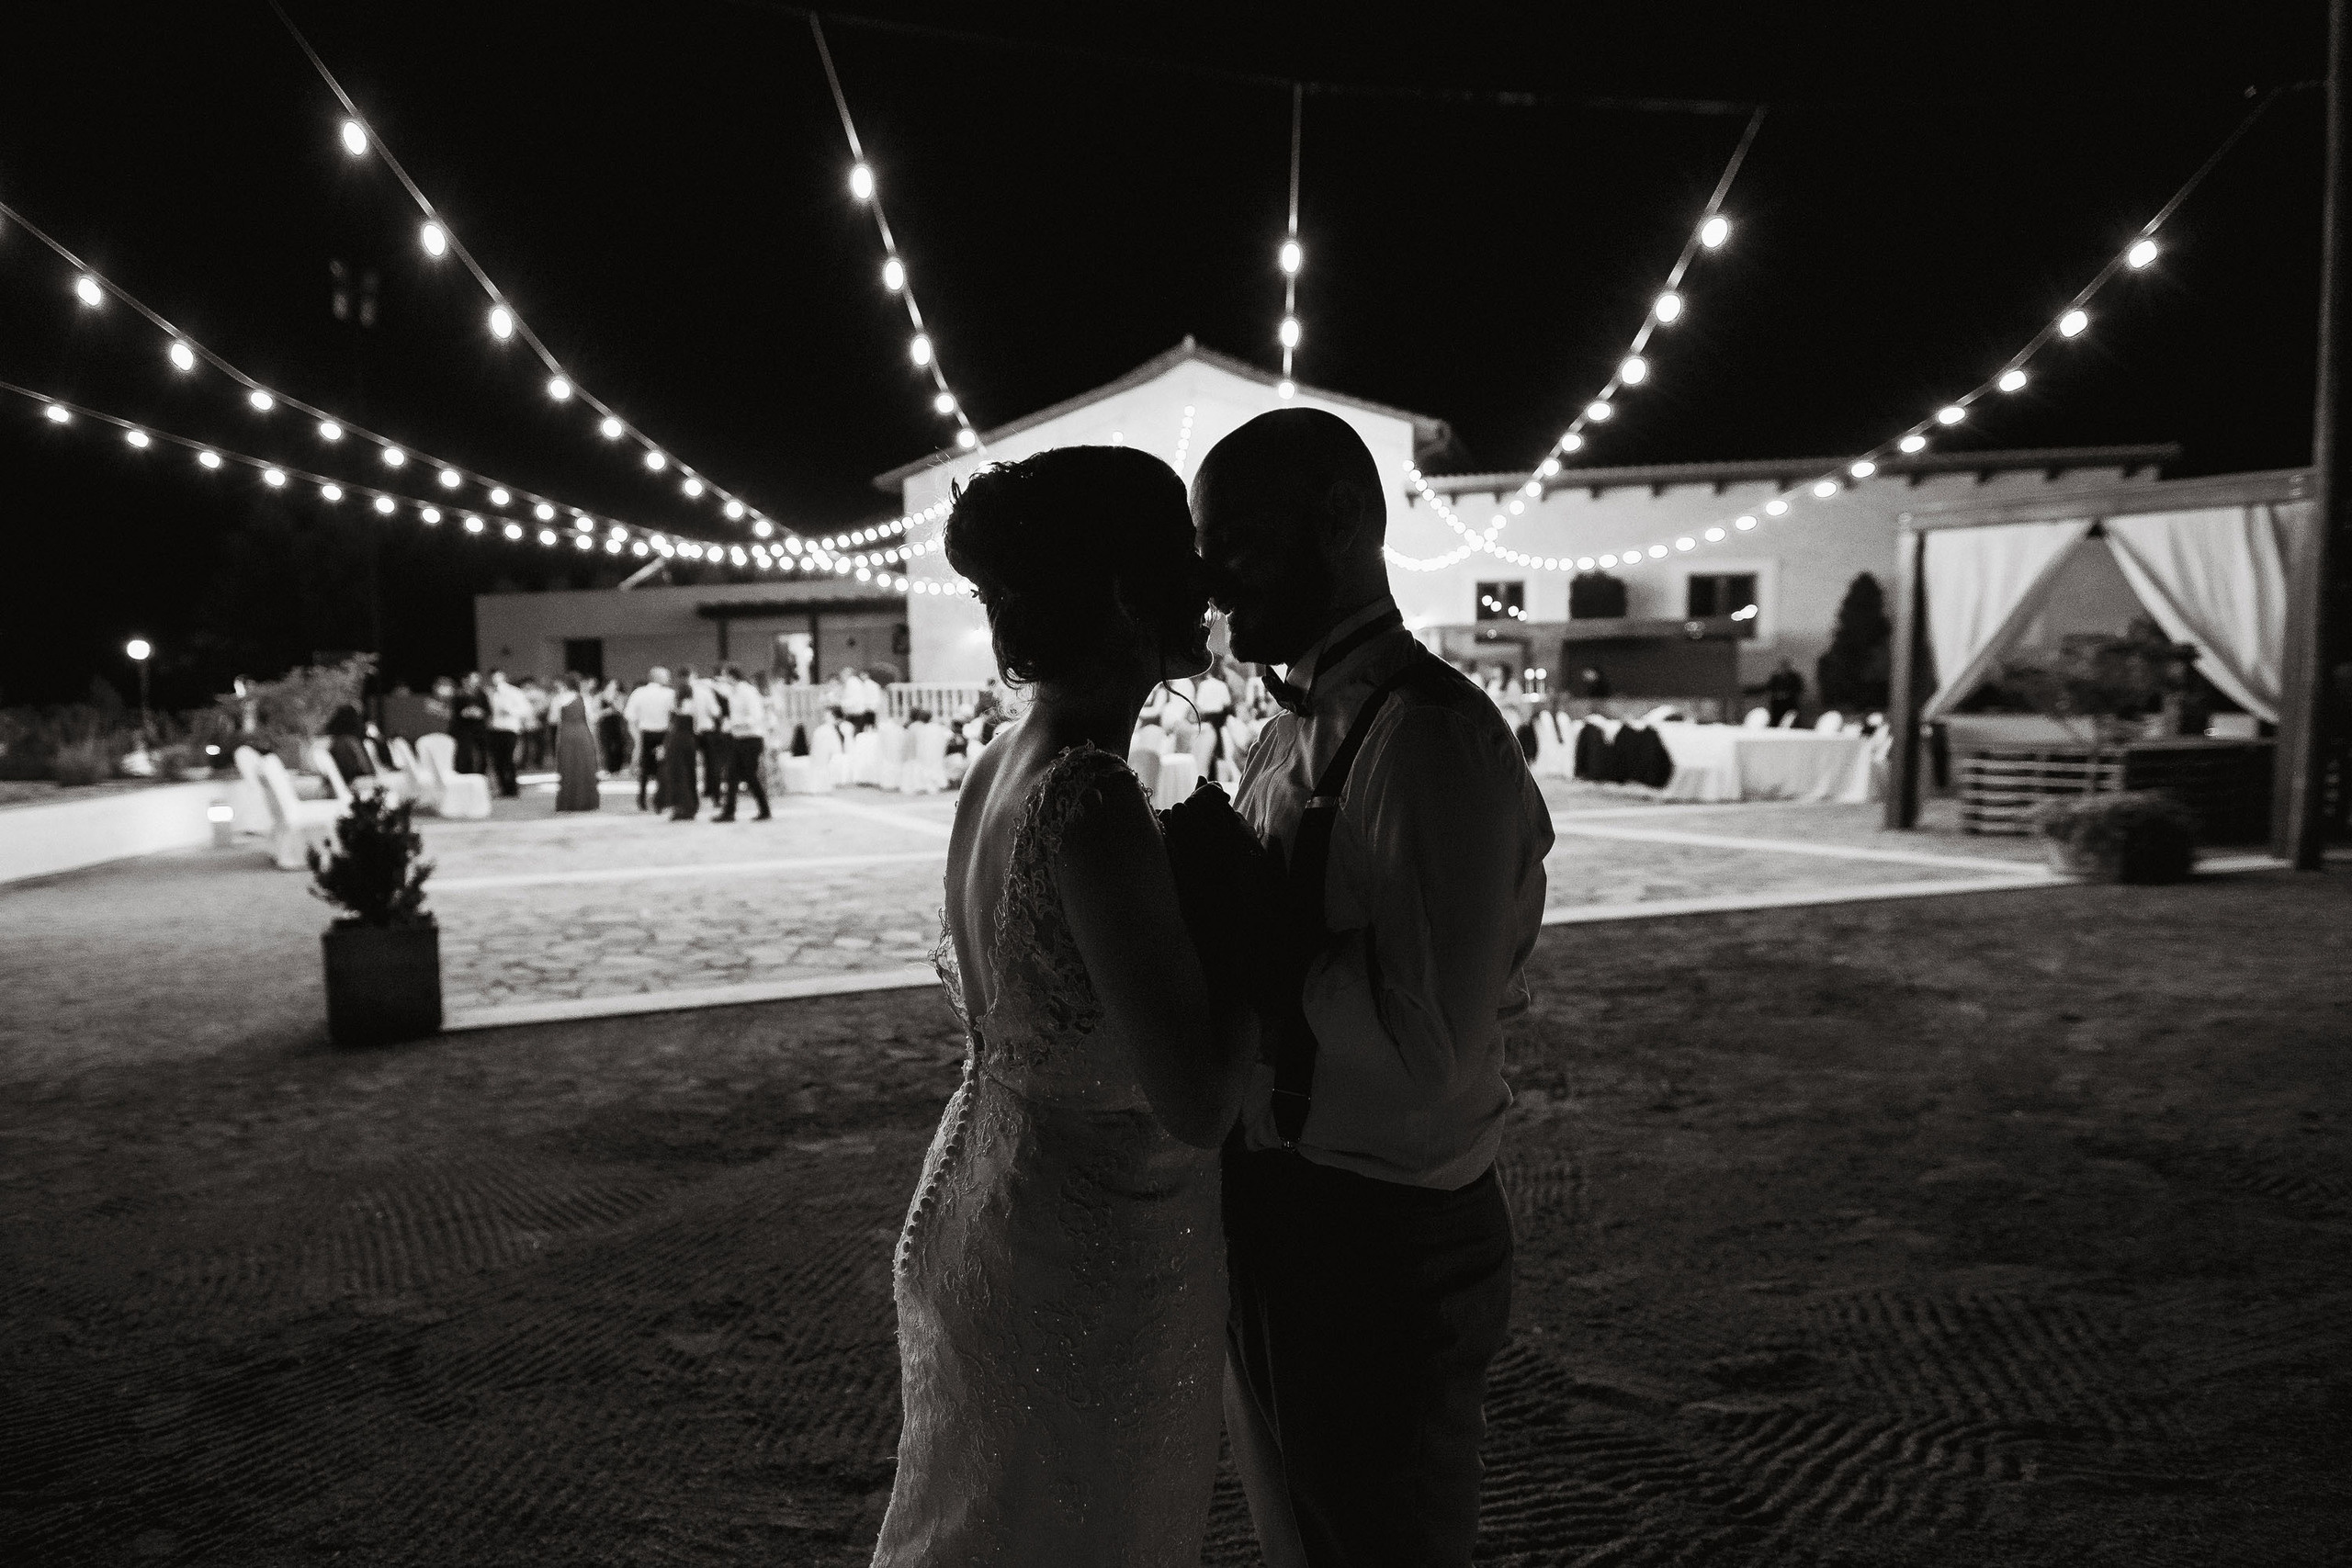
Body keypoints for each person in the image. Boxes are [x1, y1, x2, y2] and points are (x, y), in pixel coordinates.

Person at [871, 446, 1261, 1565]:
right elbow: (1198, 1101)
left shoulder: (1001, 760)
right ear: (1130, 593)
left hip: (987, 1201)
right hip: (1091, 1260)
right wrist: (1247, 926)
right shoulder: (1091, 802)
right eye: (1185, 562)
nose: (1207, 590)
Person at [1195, 407, 1553, 1568]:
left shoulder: (1429, 739)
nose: (1210, 578)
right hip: (1288, 1209)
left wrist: (1248, 935)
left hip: (1383, 1240)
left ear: (1339, 519)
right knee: (1302, 1538)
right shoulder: (1285, 729)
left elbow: (1425, 1047)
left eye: (1233, 541)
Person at [715, 664, 771, 822]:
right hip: (739, 738)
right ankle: (729, 812)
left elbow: (756, 716)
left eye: (725, 676)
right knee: (731, 775)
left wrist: (734, 724)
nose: (723, 680)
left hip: (751, 738)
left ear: (732, 676)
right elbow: (717, 687)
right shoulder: (733, 692)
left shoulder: (747, 692)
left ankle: (764, 809)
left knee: (749, 775)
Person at [624, 668, 675, 811]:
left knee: (645, 768)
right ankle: (662, 799)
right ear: (659, 678)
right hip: (663, 734)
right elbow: (675, 713)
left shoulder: (639, 693)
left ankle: (642, 799)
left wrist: (636, 734)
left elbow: (629, 715)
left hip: (646, 733)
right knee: (663, 767)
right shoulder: (669, 694)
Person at [552, 674, 602, 813]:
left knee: (567, 765)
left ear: (564, 684)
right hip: (582, 732)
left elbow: (553, 718)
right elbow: (592, 718)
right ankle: (586, 802)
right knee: (584, 766)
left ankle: (568, 802)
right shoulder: (584, 698)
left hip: (566, 733)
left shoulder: (558, 699)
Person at [662, 670, 699, 821]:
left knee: (678, 773)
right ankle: (692, 805)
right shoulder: (694, 705)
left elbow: (670, 726)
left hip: (677, 741)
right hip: (690, 740)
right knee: (690, 773)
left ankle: (681, 806)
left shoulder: (676, 708)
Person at [486, 669, 529, 797]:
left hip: (509, 729)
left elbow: (525, 710)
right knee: (497, 761)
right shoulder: (489, 693)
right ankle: (502, 788)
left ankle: (512, 789)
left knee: (509, 760)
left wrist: (510, 711)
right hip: (494, 730)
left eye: (498, 677)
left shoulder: (514, 692)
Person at [450, 673, 491, 775]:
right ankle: (466, 775)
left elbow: (488, 711)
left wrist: (480, 713)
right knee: (465, 754)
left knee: (483, 754)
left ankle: (482, 776)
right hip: (463, 730)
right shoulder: (458, 695)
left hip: (479, 729)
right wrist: (465, 713)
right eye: (472, 679)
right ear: (465, 680)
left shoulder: (481, 695)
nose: (475, 682)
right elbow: (455, 713)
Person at [595, 679, 629, 774]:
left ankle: (618, 767)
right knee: (606, 745)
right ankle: (606, 767)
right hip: (605, 723)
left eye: (616, 685)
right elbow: (596, 713)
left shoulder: (620, 696)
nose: (614, 687)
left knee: (619, 745)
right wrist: (607, 711)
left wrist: (614, 701)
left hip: (617, 723)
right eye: (612, 685)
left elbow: (622, 710)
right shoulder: (600, 696)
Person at [1764, 658, 1805, 726]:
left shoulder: (1794, 678)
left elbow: (1799, 688)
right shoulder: (1775, 678)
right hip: (1777, 704)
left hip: (1790, 702)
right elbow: (1769, 688)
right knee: (1776, 721)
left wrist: (1788, 694)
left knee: (1791, 720)